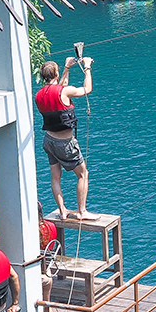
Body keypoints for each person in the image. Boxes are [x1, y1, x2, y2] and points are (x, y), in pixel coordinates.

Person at [35, 57, 96, 219]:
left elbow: (57, 89)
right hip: (65, 143)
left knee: (56, 177)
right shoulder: (65, 91)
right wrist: (87, 67)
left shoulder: (39, 95)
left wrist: (67, 68)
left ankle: (62, 210)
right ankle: (82, 212)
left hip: (48, 141)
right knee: (83, 174)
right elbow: (86, 89)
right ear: (55, 73)